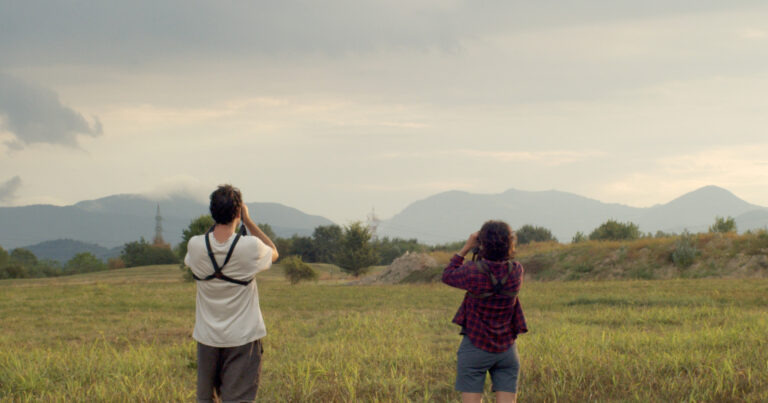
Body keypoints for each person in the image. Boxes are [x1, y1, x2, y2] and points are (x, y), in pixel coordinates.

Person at [184, 184, 279, 403]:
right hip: (243, 339)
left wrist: (221, 220)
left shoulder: (195, 245)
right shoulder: (250, 247)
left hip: (207, 339)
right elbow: (273, 252)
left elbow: (205, 248)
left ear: (212, 212)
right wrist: (248, 221)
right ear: (238, 212)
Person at [442, 220, 527, 403]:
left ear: (482, 243)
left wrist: (466, 248)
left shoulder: (473, 271)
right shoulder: (517, 271)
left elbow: (447, 275)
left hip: (475, 346)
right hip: (507, 349)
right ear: (509, 244)